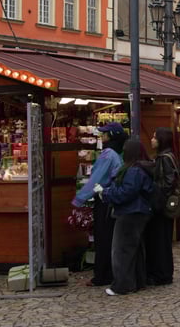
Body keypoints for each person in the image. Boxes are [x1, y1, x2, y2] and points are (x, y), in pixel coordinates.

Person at [71, 122, 128, 287]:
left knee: (102, 239)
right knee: (110, 239)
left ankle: (101, 276)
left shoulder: (107, 155)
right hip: (112, 200)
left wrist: (80, 199)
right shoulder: (118, 154)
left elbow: (97, 179)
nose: (101, 137)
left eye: (104, 134)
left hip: (104, 200)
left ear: (111, 136)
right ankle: (109, 273)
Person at [97, 139, 156, 296]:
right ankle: (136, 281)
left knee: (122, 250)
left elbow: (126, 193)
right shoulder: (140, 168)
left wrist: (106, 193)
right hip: (138, 211)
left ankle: (122, 285)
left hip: (130, 212)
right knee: (134, 249)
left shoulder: (133, 170)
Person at [143, 127, 178, 286]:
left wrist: (157, 199)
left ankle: (162, 274)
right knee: (162, 240)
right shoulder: (167, 156)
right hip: (163, 205)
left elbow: (167, 182)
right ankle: (163, 272)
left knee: (160, 240)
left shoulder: (164, 158)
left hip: (162, 206)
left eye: (155, 137)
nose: (152, 139)